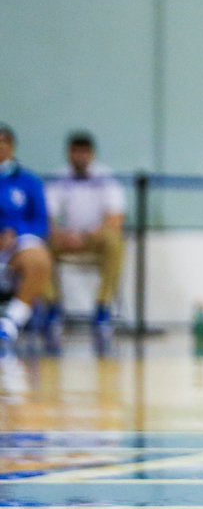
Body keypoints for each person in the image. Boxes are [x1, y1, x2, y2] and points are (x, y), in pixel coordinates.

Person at [45, 131, 126, 337]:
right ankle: (53, 307)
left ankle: (103, 307)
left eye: (84, 151)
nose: (80, 156)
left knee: (115, 242)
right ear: (69, 153)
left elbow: (115, 218)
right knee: (38, 245)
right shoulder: (58, 178)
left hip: (94, 237)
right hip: (65, 238)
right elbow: (47, 216)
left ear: (92, 154)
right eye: (75, 151)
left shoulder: (105, 178)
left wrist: (87, 236)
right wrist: (61, 233)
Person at [0, 124, 53, 346]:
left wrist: (15, 232)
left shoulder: (28, 181)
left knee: (38, 260)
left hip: (16, 243)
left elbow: (41, 221)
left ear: (11, 147)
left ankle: (12, 319)